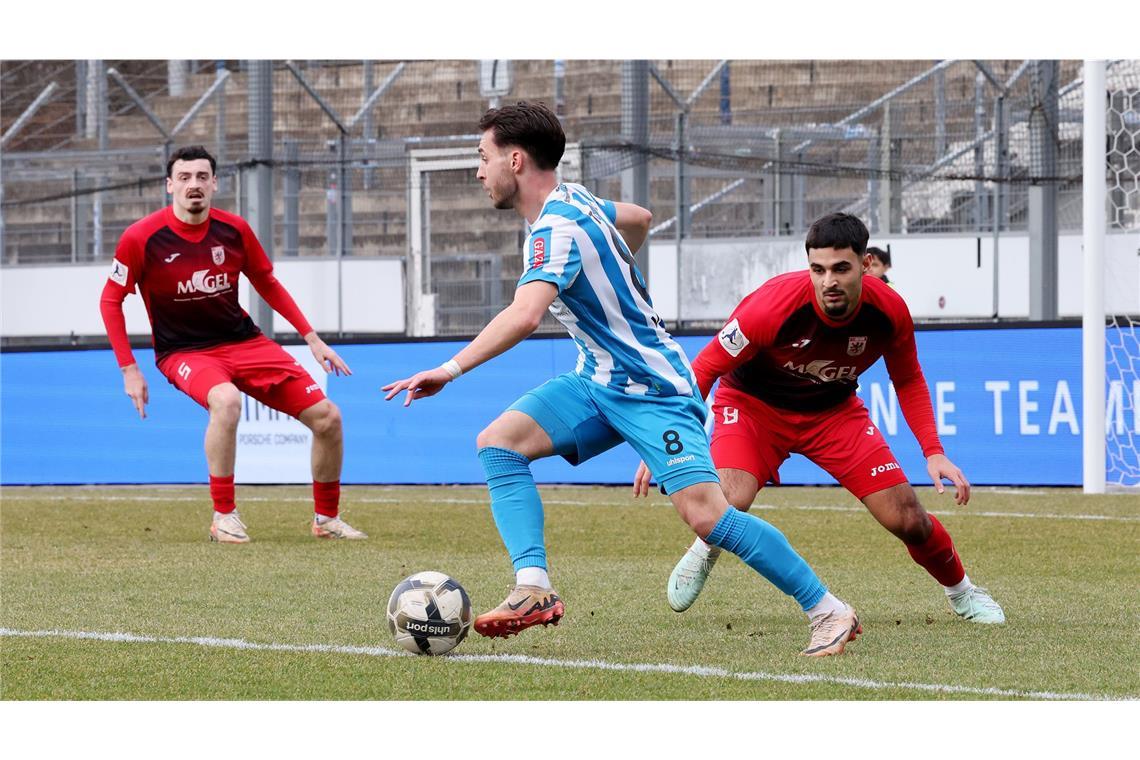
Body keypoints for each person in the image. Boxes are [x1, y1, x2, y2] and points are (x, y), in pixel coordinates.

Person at [383, 101, 861, 657]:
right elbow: (637, 217)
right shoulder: (574, 199)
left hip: (654, 389)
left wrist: (448, 369)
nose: (477, 170)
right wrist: (612, 271)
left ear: (515, 160)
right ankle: (533, 589)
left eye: (482, 157)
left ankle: (829, 611)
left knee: (708, 517)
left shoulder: (554, 230)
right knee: (499, 445)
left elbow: (525, 315)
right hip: (598, 381)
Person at [633, 213, 1004, 624]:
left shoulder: (889, 312)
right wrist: (663, 443)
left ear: (865, 266)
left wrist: (933, 452)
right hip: (753, 407)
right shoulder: (771, 306)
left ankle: (962, 591)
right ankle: (708, 545)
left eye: (841, 268)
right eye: (818, 269)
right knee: (729, 499)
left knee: (908, 518)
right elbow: (703, 369)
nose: (828, 281)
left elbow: (909, 379)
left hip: (832, 413)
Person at [99, 145, 366, 544]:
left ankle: (326, 520)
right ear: (169, 185)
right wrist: (129, 369)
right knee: (226, 401)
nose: (194, 185)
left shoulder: (234, 230)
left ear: (215, 184)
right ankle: (224, 516)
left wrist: (312, 338)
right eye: (185, 177)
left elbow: (267, 283)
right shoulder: (141, 238)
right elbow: (110, 300)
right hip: (184, 352)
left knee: (328, 418)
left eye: (202, 177)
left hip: (245, 343)